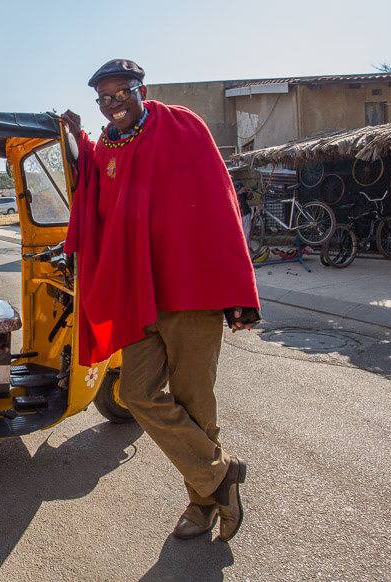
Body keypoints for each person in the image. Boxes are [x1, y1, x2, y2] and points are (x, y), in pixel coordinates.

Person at [62, 59, 261, 543]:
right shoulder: (108, 143)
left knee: (195, 404)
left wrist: (237, 289)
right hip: (137, 293)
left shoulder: (181, 124)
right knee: (136, 393)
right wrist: (77, 142)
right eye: (104, 98)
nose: (113, 104)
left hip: (189, 292)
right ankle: (221, 474)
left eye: (120, 93)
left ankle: (201, 504)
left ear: (140, 89)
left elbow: (220, 200)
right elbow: (98, 188)